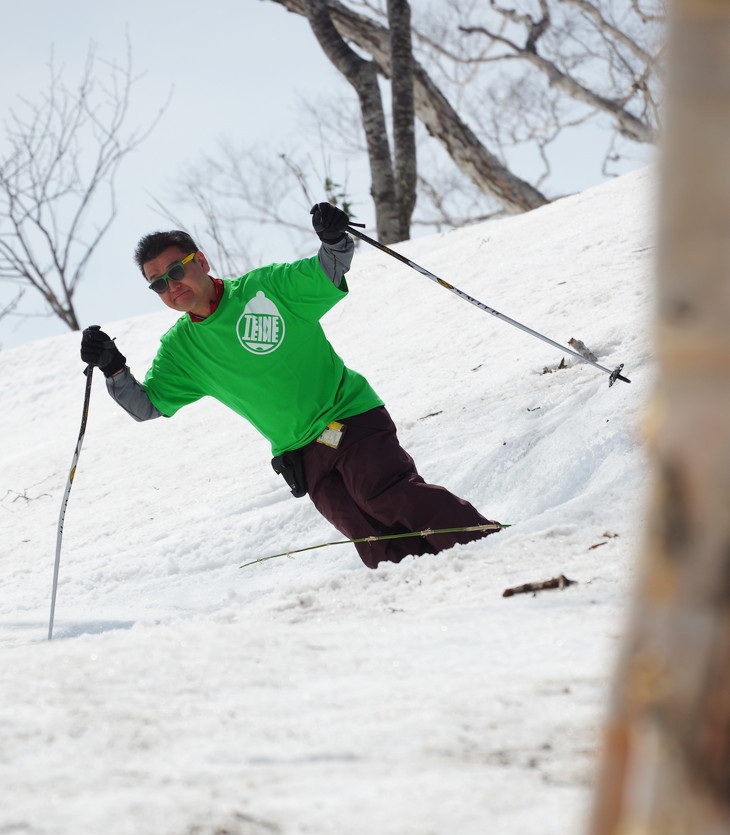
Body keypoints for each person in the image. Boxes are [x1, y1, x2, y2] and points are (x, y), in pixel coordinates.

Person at [80, 202, 502, 568]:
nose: (171, 287)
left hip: (348, 418)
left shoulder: (266, 289)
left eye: (176, 271)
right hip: (301, 452)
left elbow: (326, 271)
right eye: (158, 283)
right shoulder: (180, 349)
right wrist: (114, 367)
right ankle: (429, 583)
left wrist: (335, 237)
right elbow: (148, 406)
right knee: (366, 531)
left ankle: (486, 546)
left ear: (201, 262)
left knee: (384, 495)